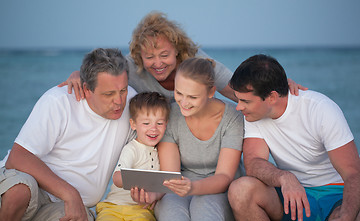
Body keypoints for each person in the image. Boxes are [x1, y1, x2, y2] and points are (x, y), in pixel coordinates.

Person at [0, 48, 136, 221]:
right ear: (87, 89)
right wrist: (70, 193)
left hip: (60, 209)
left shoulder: (132, 103)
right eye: (109, 94)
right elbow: (17, 157)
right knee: (18, 193)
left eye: (123, 90)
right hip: (27, 187)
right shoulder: (60, 101)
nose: (119, 101)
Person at [227, 54, 360, 221]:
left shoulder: (320, 109)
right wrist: (284, 177)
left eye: (245, 101)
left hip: (337, 194)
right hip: (295, 200)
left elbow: (353, 174)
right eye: (238, 99)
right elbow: (253, 163)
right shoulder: (253, 115)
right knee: (240, 190)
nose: (238, 107)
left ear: (272, 97)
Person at [58, 11, 305, 102]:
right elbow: (101, 69)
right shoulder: (130, 66)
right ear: (138, 56)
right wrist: (77, 74)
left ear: (177, 50)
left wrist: (277, 87)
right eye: (149, 57)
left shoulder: (198, 62)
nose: (157, 63)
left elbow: (237, 90)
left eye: (164, 54)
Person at [132, 57, 244, 221]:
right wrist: (153, 193)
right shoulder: (171, 115)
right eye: (179, 93)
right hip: (180, 188)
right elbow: (170, 175)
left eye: (192, 97)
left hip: (220, 194)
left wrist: (192, 188)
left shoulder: (232, 118)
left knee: (204, 206)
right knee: (171, 208)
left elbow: (224, 178)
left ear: (211, 92)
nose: (184, 102)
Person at [92, 92, 170, 221]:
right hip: (114, 205)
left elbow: (166, 183)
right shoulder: (131, 148)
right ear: (133, 124)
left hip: (141, 209)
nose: (153, 129)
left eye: (159, 123)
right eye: (146, 123)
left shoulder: (164, 151)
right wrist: (138, 183)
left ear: (166, 124)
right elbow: (117, 178)